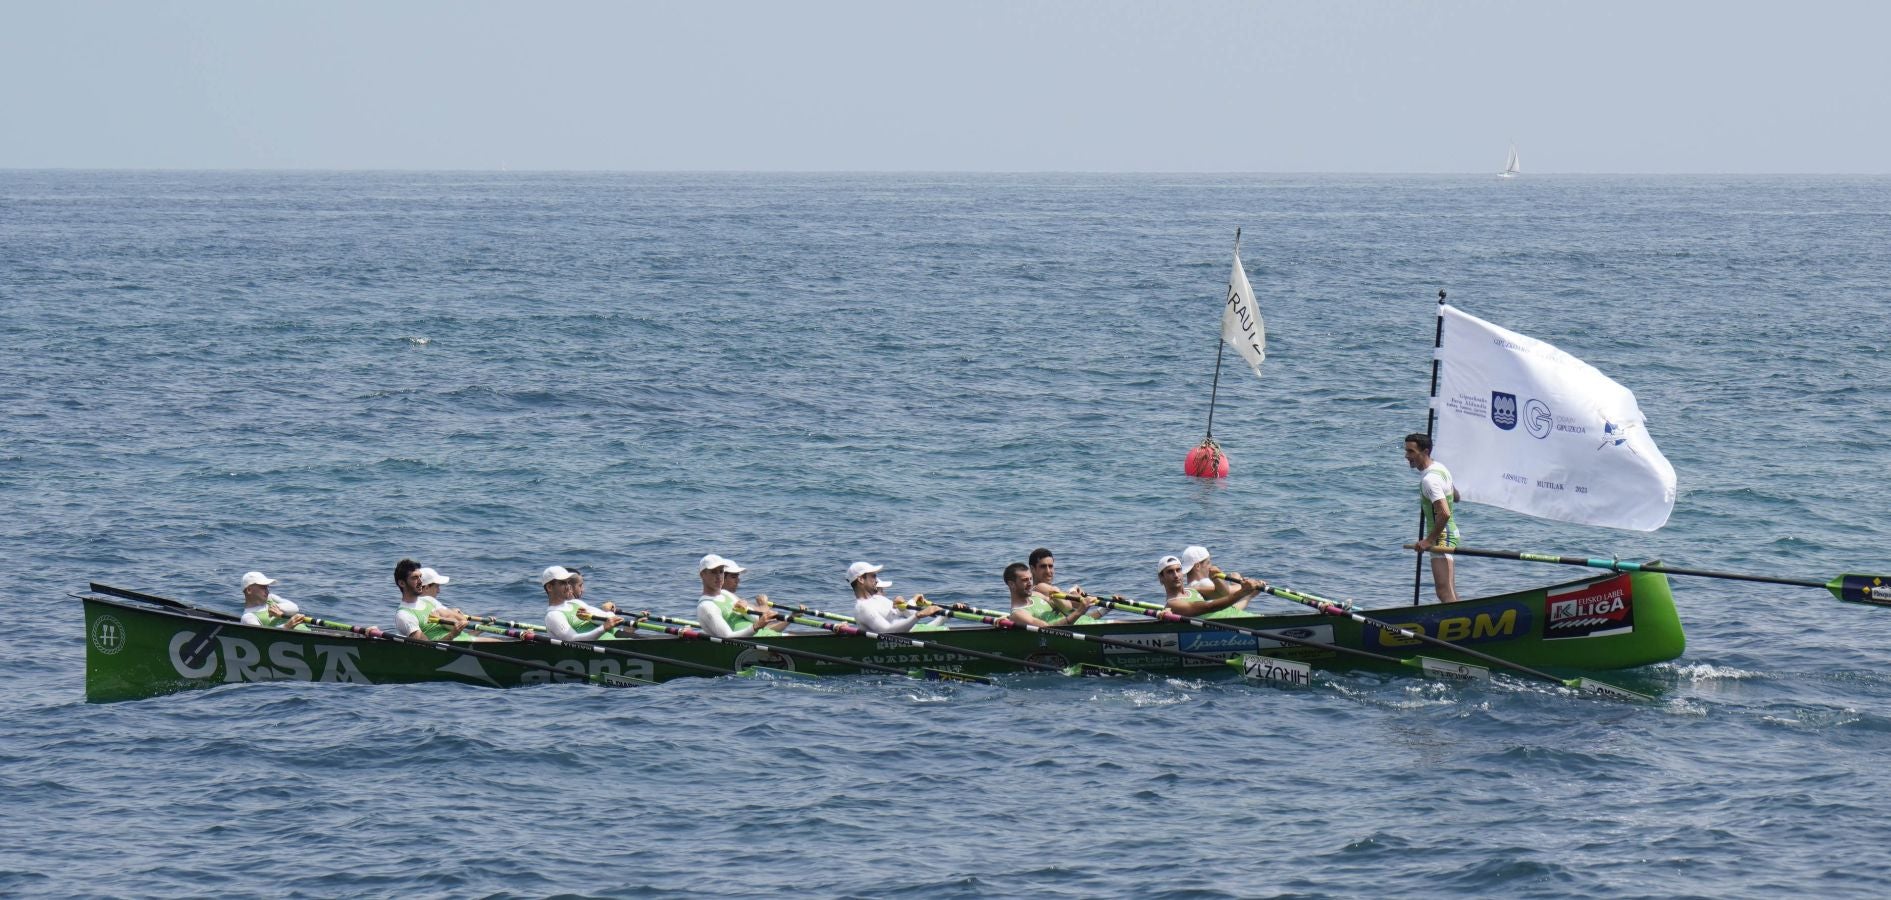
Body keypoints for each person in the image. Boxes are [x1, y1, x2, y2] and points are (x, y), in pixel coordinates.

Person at [1404, 432, 1462, 603]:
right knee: (1449, 590)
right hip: (1448, 533)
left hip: (1441, 537)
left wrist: (1429, 540)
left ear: (1426, 451)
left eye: (1411, 452)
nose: (1407, 456)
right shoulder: (1441, 468)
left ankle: (1457, 625)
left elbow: (1444, 513)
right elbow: (1456, 497)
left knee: (1444, 592)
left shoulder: (1430, 480)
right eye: (1406, 451)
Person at [695, 554, 790, 639]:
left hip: (768, 635)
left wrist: (745, 612)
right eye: (713, 572)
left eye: (721, 572)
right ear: (702, 575)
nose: (719, 576)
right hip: (756, 644)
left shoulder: (726, 594)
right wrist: (756, 626)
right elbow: (727, 637)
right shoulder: (706, 606)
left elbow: (756, 619)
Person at [848, 561, 948, 633]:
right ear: (861, 579)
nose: (877, 580)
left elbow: (907, 617)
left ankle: (948, 613)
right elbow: (887, 631)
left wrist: (904, 607)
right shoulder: (863, 608)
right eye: (873, 576)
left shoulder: (878, 600)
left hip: (909, 635)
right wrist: (919, 615)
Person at [1158, 555, 1265, 619]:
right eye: (1170, 572)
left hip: (1248, 618)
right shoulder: (1174, 604)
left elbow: (1225, 595)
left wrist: (1250, 595)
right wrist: (1243, 592)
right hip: (1239, 627)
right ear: (1161, 578)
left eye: (1178, 570)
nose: (1176, 575)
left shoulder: (1193, 590)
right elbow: (1212, 607)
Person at [393, 558, 470, 641]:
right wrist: (452, 634)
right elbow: (428, 648)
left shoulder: (428, 600)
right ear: (402, 583)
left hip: (465, 640)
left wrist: (443, 619)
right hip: (454, 647)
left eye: (420, 577)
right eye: (415, 578)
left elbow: (462, 620)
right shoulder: (404, 615)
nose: (420, 582)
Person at [543, 565, 624, 642]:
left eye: (568, 582)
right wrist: (603, 628)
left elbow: (609, 616)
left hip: (614, 642)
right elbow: (573, 639)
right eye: (563, 583)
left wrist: (592, 617)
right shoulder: (553, 616)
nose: (568, 587)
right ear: (550, 587)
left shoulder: (576, 603)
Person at [1025, 548, 1107, 624]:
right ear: (1032, 569)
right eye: (1043, 567)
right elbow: (1069, 606)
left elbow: (1083, 617)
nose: (1048, 571)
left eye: (1050, 566)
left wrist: (1105, 608)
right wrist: (1074, 591)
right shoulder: (1041, 587)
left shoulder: (1044, 593)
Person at [1002, 562, 1092, 627]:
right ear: (1011, 584)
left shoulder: (1036, 595)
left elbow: (1067, 609)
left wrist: (1074, 594)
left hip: (1088, 623)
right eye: (1025, 580)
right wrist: (1080, 612)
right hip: (1078, 630)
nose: (1030, 583)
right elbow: (1048, 629)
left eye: (1030, 579)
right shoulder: (1018, 614)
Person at [720, 558, 791, 636]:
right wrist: (763, 604)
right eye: (734, 577)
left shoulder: (730, 598)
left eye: (738, 577)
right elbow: (764, 616)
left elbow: (764, 626)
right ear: (721, 579)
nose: (738, 580)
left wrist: (791, 617)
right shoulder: (726, 598)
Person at [1179, 545, 1249, 613]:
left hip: (1219, 612)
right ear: (1197, 566)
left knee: (1249, 595)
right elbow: (1228, 592)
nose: (1211, 566)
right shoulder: (1203, 583)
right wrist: (1236, 579)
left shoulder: (1189, 586)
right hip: (1221, 615)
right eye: (1208, 562)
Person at [238, 571, 310, 630]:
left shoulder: (271, 598)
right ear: (249, 590)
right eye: (263, 587)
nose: (267, 591)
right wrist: (286, 627)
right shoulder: (248, 617)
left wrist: (276, 609)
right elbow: (262, 637)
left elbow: (295, 608)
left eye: (267, 587)